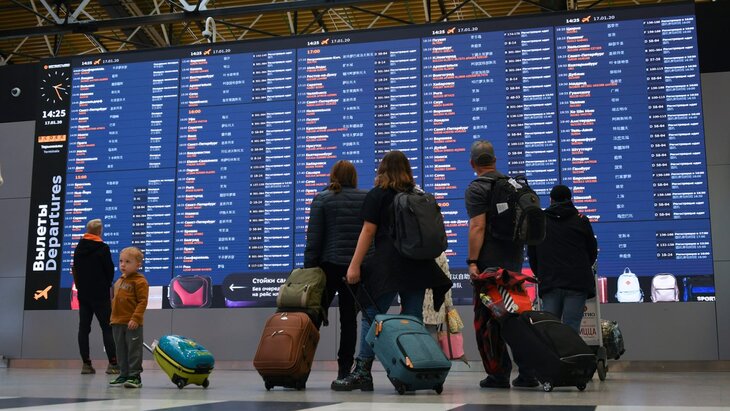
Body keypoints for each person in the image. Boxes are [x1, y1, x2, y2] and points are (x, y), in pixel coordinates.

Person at [333, 150, 452, 392]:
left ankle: (362, 371)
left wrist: (354, 265)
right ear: (407, 170)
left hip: (389, 266)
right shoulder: (417, 194)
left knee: (371, 315)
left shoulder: (378, 195)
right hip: (419, 265)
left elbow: (368, 231)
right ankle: (413, 370)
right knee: (413, 318)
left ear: (383, 170)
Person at [465, 140, 538, 389]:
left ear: (472, 163)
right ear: (495, 160)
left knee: (488, 321)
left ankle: (498, 374)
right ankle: (529, 372)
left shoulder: (477, 188)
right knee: (515, 316)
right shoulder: (512, 184)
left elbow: (478, 226)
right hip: (514, 261)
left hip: (489, 265)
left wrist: (472, 262)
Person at [303, 160, 368, 384]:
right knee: (349, 322)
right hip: (355, 269)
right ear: (354, 177)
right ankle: (344, 371)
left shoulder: (322, 199)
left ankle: (300, 367)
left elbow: (314, 239)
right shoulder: (365, 198)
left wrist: (309, 271)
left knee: (313, 319)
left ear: (333, 176)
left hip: (327, 268)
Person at [528, 184, 598, 333]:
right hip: (577, 282)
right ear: (570, 199)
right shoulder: (581, 220)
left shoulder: (541, 221)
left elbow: (532, 252)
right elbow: (592, 251)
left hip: (550, 282)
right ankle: (570, 349)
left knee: (550, 328)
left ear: (551, 200)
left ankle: (553, 350)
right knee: (572, 328)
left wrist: (541, 274)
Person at [71, 218, 118, 375]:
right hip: (100, 295)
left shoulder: (79, 247)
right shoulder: (103, 248)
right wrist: (106, 284)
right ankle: (113, 364)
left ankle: (86, 364)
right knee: (107, 328)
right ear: (99, 231)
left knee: (84, 328)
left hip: (84, 295)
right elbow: (109, 270)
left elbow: (75, 269)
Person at [108, 247, 149, 388]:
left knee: (133, 350)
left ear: (138, 265)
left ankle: (135, 376)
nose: (123, 265)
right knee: (120, 350)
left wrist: (136, 318)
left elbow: (142, 301)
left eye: (127, 262)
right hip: (117, 322)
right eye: (121, 261)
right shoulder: (119, 281)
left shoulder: (140, 281)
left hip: (132, 323)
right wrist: (113, 318)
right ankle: (123, 374)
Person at [422, 252, 454, 339]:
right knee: (431, 335)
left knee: (412, 336)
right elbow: (446, 282)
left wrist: (402, 302)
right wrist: (448, 306)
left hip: (414, 303)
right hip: (434, 303)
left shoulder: (410, 250)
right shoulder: (439, 252)